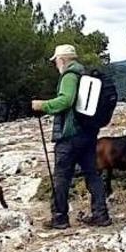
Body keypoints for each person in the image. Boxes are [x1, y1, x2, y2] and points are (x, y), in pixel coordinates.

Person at [31, 44, 111, 229]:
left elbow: (66, 100)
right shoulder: (84, 73)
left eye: (56, 61)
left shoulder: (69, 76)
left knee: (61, 177)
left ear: (62, 59)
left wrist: (42, 105)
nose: (55, 65)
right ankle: (101, 214)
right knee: (92, 174)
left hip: (70, 135)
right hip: (88, 133)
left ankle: (60, 217)